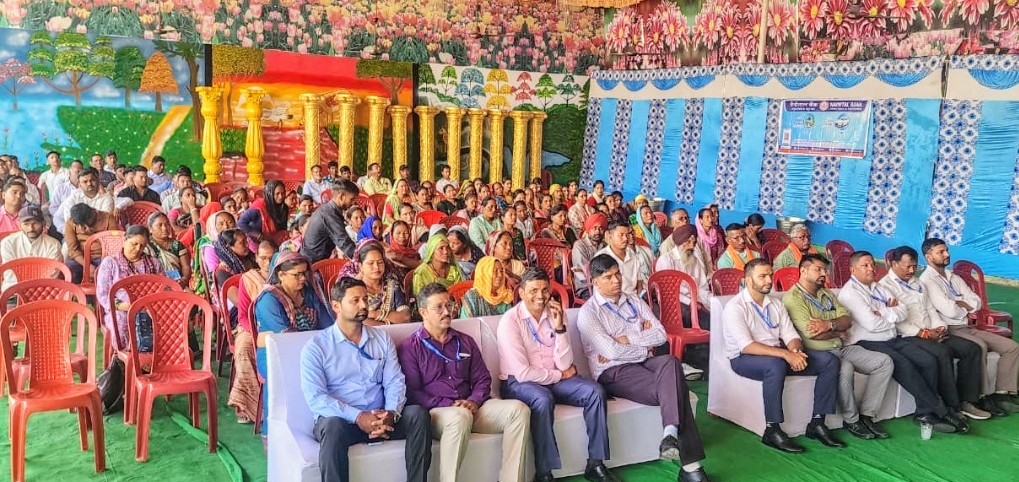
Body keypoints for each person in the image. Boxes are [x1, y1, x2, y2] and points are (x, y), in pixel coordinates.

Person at [577, 255, 708, 482]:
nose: (616, 280)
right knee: (675, 387)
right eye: (608, 277)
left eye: (617, 273)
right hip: (614, 372)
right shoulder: (589, 313)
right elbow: (611, 352)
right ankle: (691, 468)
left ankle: (670, 434)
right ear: (595, 282)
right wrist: (644, 347)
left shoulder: (633, 301)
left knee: (670, 362)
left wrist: (628, 339)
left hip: (643, 362)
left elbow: (660, 334)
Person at [300, 277, 431, 482]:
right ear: (336, 306)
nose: (363, 305)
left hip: (381, 418)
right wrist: (359, 417)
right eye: (355, 300)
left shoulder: (381, 338)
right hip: (344, 422)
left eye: (365, 299)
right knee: (331, 426)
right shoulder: (317, 347)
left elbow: (394, 381)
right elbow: (316, 398)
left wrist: (391, 413)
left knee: (418, 414)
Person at [396, 283, 528, 482]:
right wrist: (450, 404)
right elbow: (413, 393)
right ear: (423, 312)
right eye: (438, 307)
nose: (446, 311)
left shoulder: (465, 341)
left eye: (449, 305)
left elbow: (482, 379)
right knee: (459, 416)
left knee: (518, 410)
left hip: (472, 407)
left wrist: (474, 400)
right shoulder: (411, 347)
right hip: (437, 413)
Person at [496, 268, 617, 482]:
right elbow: (523, 373)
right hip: (520, 383)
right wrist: (559, 375)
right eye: (533, 291)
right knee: (542, 399)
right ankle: (544, 472)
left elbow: (564, 363)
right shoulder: (510, 321)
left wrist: (560, 327)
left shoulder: (555, 313)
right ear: (521, 293)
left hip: (554, 377)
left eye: (545, 290)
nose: (540, 296)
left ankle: (596, 463)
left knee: (595, 392)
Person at [724, 258, 844, 452]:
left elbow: (791, 335)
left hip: (777, 354)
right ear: (748, 280)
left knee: (829, 360)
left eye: (770, 275)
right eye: (762, 276)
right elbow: (746, 346)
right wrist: (787, 355)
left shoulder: (775, 304)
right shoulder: (735, 306)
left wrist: (795, 352)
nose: (769, 280)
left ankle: (817, 422)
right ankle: (772, 429)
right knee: (776, 365)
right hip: (744, 359)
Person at [839, 251, 965, 433]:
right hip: (867, 342)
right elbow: (872, 324)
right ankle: (941, 410)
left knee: (927, 360)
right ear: (853, 269)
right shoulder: (851, 293)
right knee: (903, 364)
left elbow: (903, 312)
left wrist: (884, 312)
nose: (871, 268)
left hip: (890, 339)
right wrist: (891, 313)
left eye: (872, 264)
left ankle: (924, 413)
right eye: (865, 265)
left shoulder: (877, 287)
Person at [783, 254, 895, 440]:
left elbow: (847, 320)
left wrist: (828, 325)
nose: (823, 274)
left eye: (825, 270)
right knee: (846, 367)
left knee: (884, 362)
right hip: (819, 352)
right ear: (803, 271)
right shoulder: (794, 298)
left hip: (842, 347)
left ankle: (867, 415)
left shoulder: (826, 294)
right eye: (818, 269)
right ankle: (852, 420)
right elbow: (812, 333)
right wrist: (837, 330)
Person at [881, 246, 998, 418]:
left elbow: (930, 309)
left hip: (933, 331)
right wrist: (924, 333)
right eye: (907, 266)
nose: (911, 270)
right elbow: (898, 321)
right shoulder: (885, 287)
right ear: (894, 264)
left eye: (914, 266)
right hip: (910, 336)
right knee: (943, 352)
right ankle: (951, 405)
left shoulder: (917, 283)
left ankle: (968, 401)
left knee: (971, 349)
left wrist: (940, 327)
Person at [920, 238, 1019, 413]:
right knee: (979, 347)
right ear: (929, 257)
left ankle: (1002, 393)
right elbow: (949, 311)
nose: (947, 254)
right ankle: (981, 396)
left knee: (1011, 347)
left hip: (967, 327)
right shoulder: (927, 280)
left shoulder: (953, 277)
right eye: (941, 252)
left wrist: (962, 304)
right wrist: (963, 306)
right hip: (949, 329)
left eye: (946, 250)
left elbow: (977, 301)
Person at [255, 252, 335, 434]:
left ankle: (318, 429)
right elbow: (287, 337)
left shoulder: (308, 293)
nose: (303, 278)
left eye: (304, 273)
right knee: (292, 379)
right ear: (281, 275)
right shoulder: (269, 299)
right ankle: (277, 435)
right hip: (278, 355)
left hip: (309, 349)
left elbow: (327, 327)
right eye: (297, 274)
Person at [96, 225, 165, 353]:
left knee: (166, 320)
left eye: (142, 246)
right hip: (121, 309)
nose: (138, 249)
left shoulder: (154, 263)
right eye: (134, 244)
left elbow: (164, 288)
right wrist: (123, 306)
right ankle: (124, 356)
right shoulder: (110, 263)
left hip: (150, 307)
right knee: (121, 322)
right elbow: (103, 294)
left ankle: (159, 356)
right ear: (124, 240)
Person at [230, 240, 276, 424]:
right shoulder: (248, 279)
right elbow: (242, 315)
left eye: (271, 258)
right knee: (244, 349)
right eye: (263, 258)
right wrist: (257, 332)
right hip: (252, 327)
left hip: (277, 327)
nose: (267, 262)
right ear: (256, 258)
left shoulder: (284, 275)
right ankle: (252, 406)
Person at [339, 240, 411, 325]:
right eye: (371, 263)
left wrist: (374, 314)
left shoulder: (392, 285)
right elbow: (358, 321)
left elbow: (405, 317)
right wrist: (388, 324)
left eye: (380, 262)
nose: (376, 267)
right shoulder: (354, 290)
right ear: (360, 266)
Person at [655, 225, 711, 330]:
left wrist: (711, 301)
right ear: (680, 242)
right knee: (704, 320)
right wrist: (691, 302)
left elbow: (702, 287)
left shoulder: (695, 261)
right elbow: (668, 292)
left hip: (695, 300)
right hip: (673, 302)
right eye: (688, 242)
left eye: (694, 243)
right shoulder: (666, 260)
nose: (692, 246)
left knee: (716, 313)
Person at [0, 206, 63, 290]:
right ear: (19, 225)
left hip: (44, 291)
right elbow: (11, 275)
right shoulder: (8, 243)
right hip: (14, 290)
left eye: (35, 223)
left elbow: (51, 276)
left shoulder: (53, 244)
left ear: (43, 224)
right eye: (26, 224)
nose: (31, 228)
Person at [301, 180, 360, 261]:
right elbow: (345, 244)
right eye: (351, 199)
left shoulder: (328, 209)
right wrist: (364, 258)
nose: (353, 203)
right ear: (341, 197)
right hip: (312, 263)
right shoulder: (329, 214)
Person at [64, 203, 119, 284]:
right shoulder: (70, 223)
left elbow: (114, 245)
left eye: (83, 225)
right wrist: (87, 265)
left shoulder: (108, 218)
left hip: (102, 256)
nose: (80, 228)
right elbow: (73, 250)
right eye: (78, 225)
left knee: (110, 267)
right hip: (81, 257)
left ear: (92, 215)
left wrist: (92, 233)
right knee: (70, 266)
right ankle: (75, 291)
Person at [595, 221, 647, 298]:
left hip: (633, 298)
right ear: (611, 236)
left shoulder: (631, 253)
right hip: (612, 300)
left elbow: (639, 283)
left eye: (627, 234)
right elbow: (599, 290)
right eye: (621, 235)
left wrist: (638, 299)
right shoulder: (601, 257)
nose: (625, 239)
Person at [146, 212, 192, 289]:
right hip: (155, 286)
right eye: (160, 225)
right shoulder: (147, 246)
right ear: (150, 229)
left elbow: (186, 267)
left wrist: (184, 280)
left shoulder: (177, 244)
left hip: (178, 283)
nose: (164, 228)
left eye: (167, 224)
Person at [572, 213, 607, 299]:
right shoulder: (579, 245)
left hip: (605, 285)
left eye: (601, 228)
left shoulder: (605, 246)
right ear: (588, 229)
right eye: (594, 228)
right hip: (586, 287)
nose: (597, 232)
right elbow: (586, 271)